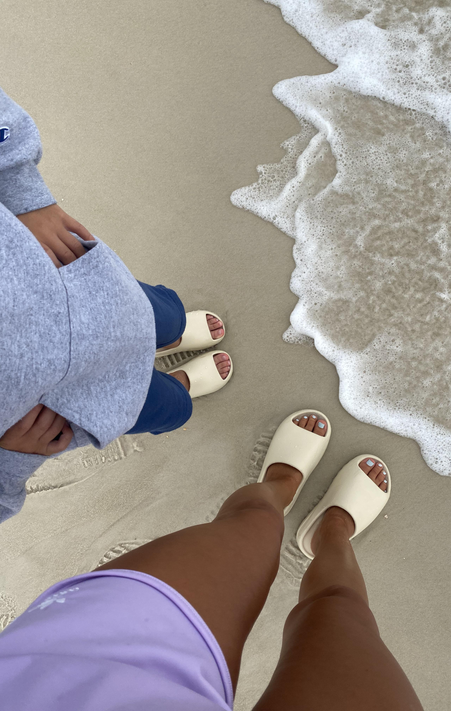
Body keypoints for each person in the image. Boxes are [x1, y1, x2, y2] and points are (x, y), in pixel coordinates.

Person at [0, 411, 424, 711]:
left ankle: (279, 487)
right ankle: (333, 533)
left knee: (250, 526)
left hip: (65, 674)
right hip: (90, 675)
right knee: (340, 608)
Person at [0, 86, 233, 523]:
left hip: (70, 286)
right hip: (59, 409)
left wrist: (17, 185)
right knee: (173, 407)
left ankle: (167, 338)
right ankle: (174, 375)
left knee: (164, 314)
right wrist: (8, 464)